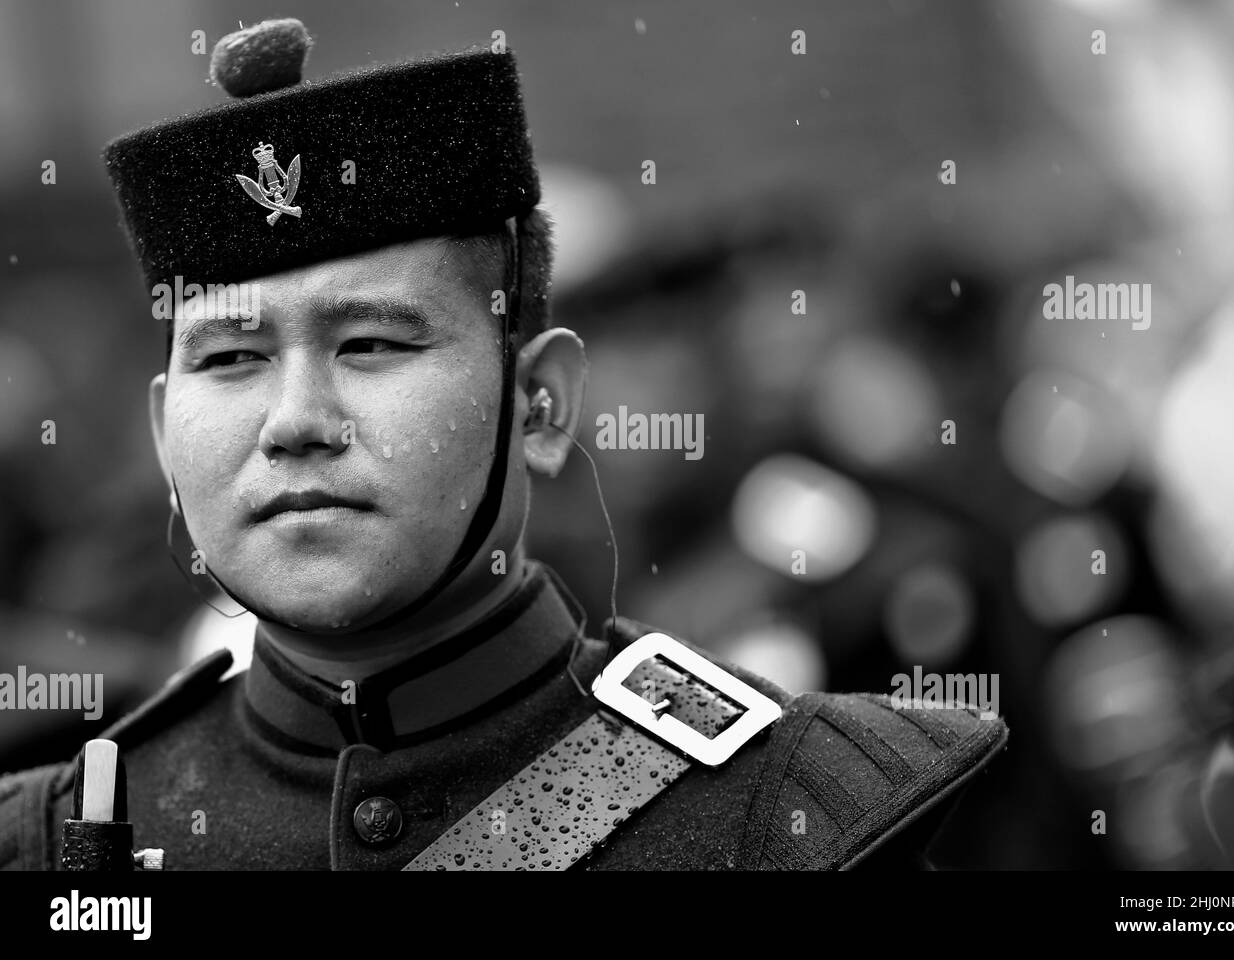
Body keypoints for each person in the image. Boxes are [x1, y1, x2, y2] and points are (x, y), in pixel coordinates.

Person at [0, 19, 1007, 871]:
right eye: (229, 360)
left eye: (371, 343)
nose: (294, 419)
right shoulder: (59, 841)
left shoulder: (813, 819)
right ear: (161, 433)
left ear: (539, 405)